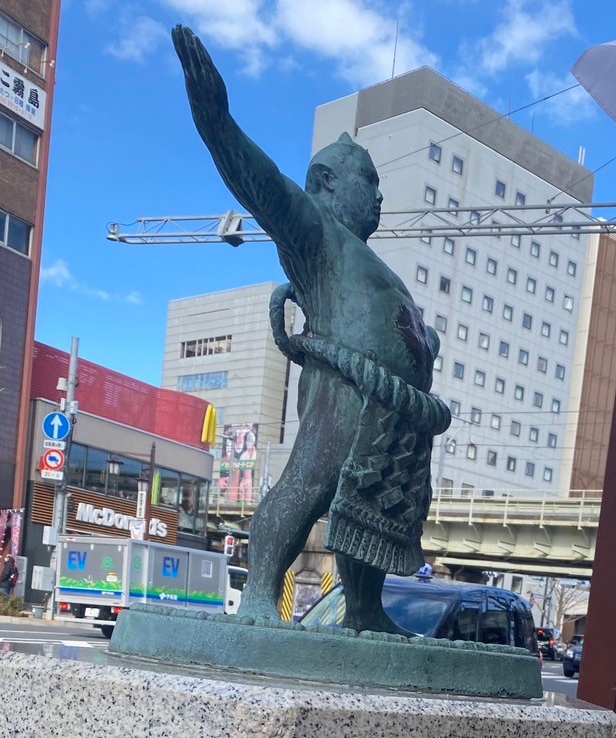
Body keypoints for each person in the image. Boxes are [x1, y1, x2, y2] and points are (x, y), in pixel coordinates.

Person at [173, 27, 450, 634]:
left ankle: (365, 608)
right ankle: (259, 595)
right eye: (369, 180)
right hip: (342, 386)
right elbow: (263, 183)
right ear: (326, 182)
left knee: (368, 502)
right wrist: (217, 123)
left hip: (393, 407)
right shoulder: (318, 233)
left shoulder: (372, 261)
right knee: (311, 481)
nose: (379, 195)